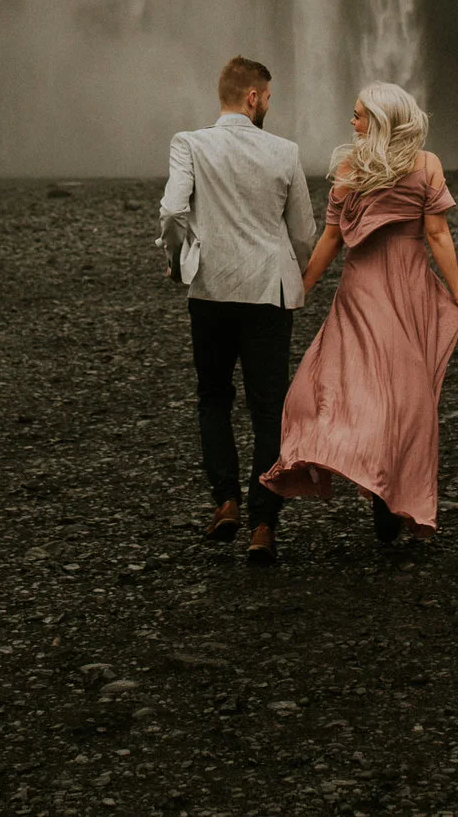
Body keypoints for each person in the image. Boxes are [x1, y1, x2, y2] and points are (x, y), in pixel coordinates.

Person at [262, 83, 458, 546]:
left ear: (382, 121)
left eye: (359, 115)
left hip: (362, 289)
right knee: (407, 398)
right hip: (408, 287)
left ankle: (371, 478)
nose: (352, 121)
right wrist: (457, 294)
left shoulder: (350, 169)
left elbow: (331, 241)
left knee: (348, 385)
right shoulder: (428, 165)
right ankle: (391, 493)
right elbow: (437, 236)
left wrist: (300, 289)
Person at [158, 56, 317, 566]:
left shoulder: (189, 143)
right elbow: (304, 232)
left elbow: (172, 211)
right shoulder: (285, 151)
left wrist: (176, 259)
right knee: (269, 408)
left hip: (210, 291)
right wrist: (302, 273)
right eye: (268, 96)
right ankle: (264, 525)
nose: (268, 104)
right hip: (267, 292)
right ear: (252, 97)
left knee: (213, 398)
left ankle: (225, 499)